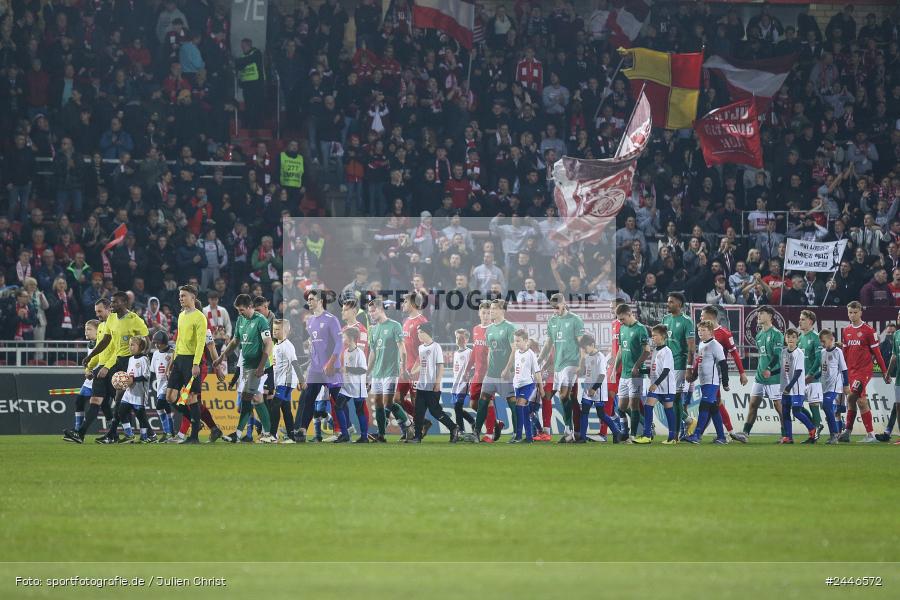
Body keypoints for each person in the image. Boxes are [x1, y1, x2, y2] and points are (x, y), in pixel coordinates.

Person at [215, 294, 276, 443]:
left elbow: (268, 343)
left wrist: (261, 366)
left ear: (250, 307)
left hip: (259, 366)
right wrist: (222, 356)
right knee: (248, 398)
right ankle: (242, 433)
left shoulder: (260, 320)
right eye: (238, 310)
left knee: (253, 397)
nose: (239, 313)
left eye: (242, 310)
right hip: (247, 366)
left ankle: (268, 434)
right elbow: (235, 341)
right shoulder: (241, 320)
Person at [95, 292, 150, 443]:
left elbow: (146, 340)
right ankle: (146, 434)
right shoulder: (111, 318)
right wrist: (91, 355)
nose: (111, 305)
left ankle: (112, 434)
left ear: (125, 302)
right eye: (111, 302)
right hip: (118, 361)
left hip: (130, 361)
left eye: (115, 302)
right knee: (124, 402)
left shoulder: (134, 320)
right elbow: (106, 340)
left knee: (121, 401)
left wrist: (142, 358)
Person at [292, 290, 344, 443]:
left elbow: (339, 343)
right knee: (308, 398)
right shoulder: (309, 321)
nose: (309, 301)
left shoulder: (331, 319)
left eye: (312, 299)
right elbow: (314, 344)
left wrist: (330, 363)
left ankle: (344, 430)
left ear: (321, 301)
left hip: (331, 367)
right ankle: (301, 430)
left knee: (337, 400)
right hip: (315, 369)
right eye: (308, 299)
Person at [64, 299, 115, 443]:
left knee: (122, 406)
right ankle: (80, 434)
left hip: (113, 368)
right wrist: (90, 364)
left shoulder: (115, 324)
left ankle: (143, 433)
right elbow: (99, 351)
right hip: (101, 369)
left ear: (108, 309)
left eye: (100, 311)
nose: (97, 314)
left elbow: (117, 350)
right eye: (96, 312)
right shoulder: (102, 327)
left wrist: (107, 366)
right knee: (95, 402)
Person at [838, 301, 889, 443]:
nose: (852, 315)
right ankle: (848, 432)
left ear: (860, 312)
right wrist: (843, 371)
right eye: (850, 312)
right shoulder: (846, 330)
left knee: (859, 399)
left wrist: (884, 372)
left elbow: (877, 353)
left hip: (863, 371)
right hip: (851, 371)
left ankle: (870, 435)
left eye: (855, 312)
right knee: (851, 400)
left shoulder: (868, 330)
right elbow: (845, 352)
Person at [365, 294, 413, 441]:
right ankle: (381, 435)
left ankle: (408, 424)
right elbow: (373, 352)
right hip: (377, 373)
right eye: (369, 311)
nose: (371, 314)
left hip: (391, 371)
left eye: (373, 311)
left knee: (388, 402)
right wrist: (367, 373)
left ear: (380, 309)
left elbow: (402, 349)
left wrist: (403, 368)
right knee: (379, 404)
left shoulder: (394, 325)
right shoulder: (373, 330)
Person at [538, 293, 585, 443]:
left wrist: (581, 363)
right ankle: (572, 432)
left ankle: (569, 431)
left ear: (564, 303)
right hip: (558, 364)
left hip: (571, 363)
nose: (555, 310)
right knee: (566, 397)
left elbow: (582, 344)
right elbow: (548, 343)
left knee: (564, 395)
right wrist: (539, 359)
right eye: (553, 308)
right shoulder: (552, 320)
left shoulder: (575, 320)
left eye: (557, 307)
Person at [700, 305, 748, 443]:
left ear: (710, 316)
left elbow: (735, 354)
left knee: (714, 402)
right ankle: (722, 434)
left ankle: (728, 434)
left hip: (716, 375)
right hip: (705, 375)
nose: (701, 318)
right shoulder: (703, 332)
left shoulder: (724, 334)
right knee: (713, 403)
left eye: (703, 315)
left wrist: (742, 373)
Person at [472, 300, 517, 443]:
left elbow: (514, 349)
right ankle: (476, 433)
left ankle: (517, 433)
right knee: (482, 401)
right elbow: (490, 350)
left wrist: (508, 368)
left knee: (512, 402)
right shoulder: (489, 329)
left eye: (494, 309)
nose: (491, 311)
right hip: (490, 374)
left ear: (502, 310)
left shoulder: (510, 327)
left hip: (504, 374)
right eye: (490, 309)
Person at [408, 323, 459, 443]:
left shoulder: (436, 347)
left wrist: (437, 382)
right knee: (418, 412)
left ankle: (453, 428)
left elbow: (440, 366)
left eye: (420, 332)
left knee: (435, 411)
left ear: (426, 332)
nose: (418, 334)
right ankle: (417, 437)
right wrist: (412, 372)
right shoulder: (421, 348)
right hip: (421, 385)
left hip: (432, 386)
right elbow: (421, 363)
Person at [742, 306, 785, 439]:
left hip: (773, 377)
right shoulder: (759, 334)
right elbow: (763, 356)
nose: (758, 316)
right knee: (753, 404)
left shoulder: (777, 334)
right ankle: (745, 433)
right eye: (758, 313)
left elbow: (777, 356)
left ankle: (786, 434)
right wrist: (762, 370)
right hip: (759, 377)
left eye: (761, 313)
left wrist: (769, 369)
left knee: (779, 406)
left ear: (770, 316)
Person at [684, 321, 730, 445]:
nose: (700, 333)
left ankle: (697, 435)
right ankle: (721, 437)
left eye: (704, 330)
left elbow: (723, 364)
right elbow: (699, 362)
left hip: (712, 382)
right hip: (704, 382)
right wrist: (693, 376)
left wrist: (725, 382)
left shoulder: (715, 345)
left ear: (711, 331)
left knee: (703, 406)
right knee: (714, 410)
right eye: (699, 330)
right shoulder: (701, 344)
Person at [576, 334, 627, 444]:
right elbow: (587, 373)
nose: (584, 350)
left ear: (592, 345)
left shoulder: (600, 357)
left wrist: (594, 388)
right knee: (584, 412)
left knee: (601, 414)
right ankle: (582, 437)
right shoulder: (588, 357)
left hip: (598, 390)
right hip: (587, 389)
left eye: (585, 347)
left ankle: (616, 432)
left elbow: (602, 375)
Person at [464, 301, 501, 442]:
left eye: (488, 313)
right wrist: (468, 368)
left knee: (488, 402)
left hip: (490, 373)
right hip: (477, 373)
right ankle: (495, 424)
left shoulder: (494, 329)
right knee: (473, 404)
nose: (485, 315)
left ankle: (489, 434)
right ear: (479, 313)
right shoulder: (476, 329)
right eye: (483, 312)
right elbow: (475, 350)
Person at [635, 325, 678, 444]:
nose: (652, 338)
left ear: (663, 336)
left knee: (668, 410)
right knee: (648, 406)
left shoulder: (667, 351)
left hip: (666, 387)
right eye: (652, 336)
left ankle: (672, 437)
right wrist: (641, 370)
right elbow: (654, 369)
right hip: (656, 387)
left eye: (655, 335)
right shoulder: (656, 351)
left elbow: (666, 370)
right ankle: (647, 435)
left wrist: (655, 384)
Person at [614, 303, 650, 441]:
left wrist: (636, 366)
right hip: (624, 374)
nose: (621, 322)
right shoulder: (622, 329)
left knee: (634, 405)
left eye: (622, 319)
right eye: (619, 320)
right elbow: (621, 350)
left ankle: (633, 435)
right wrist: (615, 368)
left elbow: (647, 350)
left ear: (630, 314)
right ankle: (625, 431)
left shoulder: (640, 329)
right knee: (621, 408)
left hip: (636, 375)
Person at [662, 293, 695, 440]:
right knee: (666, 398)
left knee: (674, 399)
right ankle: (688, 421)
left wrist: (689, 367)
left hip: (680, 365)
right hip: (667, 366)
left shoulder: (686, 321)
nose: (668, 304)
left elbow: (691, 347)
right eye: (668, 302)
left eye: (671, 302)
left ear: (679, 304)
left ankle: (674, 435)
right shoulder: (665, 319)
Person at [111, 336, 155, 443]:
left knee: (141, 417)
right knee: (121, 412)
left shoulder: (144, 359)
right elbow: (128, 376)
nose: (130, 347)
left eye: (132, 345)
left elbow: (147, 376)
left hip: (140, 393)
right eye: (129, 345)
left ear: (140, 347)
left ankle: (146, 437)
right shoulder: (130, 359)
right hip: (129, 392)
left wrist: (133, 379)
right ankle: (129, 435)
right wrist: (122, 381)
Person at [396, 292, 429, 434]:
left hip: (416, 370)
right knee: (396, 399)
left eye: (405, 302)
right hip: (404, 368)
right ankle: (423, 423)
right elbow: (404, 347)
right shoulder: (406, 321)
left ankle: (418, 430)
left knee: (417, 402)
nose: (403, 304)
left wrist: (414, 369)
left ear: (414, 304)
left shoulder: (421, 322)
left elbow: (424, 349)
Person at [780, 329, 818, 444]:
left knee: (796, 411)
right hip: (785, 387)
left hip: (796, 388)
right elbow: (783, 369)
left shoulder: (799, 353)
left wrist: (789, 386)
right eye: (788, 337)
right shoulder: (783, 352)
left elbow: (798, 372)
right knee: (785, 412)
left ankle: (812, 429)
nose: (790, 339)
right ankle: (788, 437)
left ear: (797, 339)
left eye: (793, 337)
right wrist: (770, 372)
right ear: (785, 339)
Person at [271, 319, 299, 443]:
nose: (275, 331)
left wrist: (302, 380)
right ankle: (291, 436)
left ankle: (272, 435)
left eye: (277, 329)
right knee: (285, 409)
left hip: (286, 381)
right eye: (274, 329)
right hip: (281, 381)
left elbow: (294, 362)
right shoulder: (276, 345)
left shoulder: (287, 345)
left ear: (286, 331)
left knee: (275, 405)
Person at [511, 329, 541, 443]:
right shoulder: (517, 353)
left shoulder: (530, 354)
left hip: (528, 384)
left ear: (526, 341)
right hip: (517, 385)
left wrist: (541, 388)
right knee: (525, 411)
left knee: (519, 405)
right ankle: (529, 437)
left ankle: (518, 436)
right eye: (515, 341)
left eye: (518, 341)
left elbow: (536, 371)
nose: (516, 343)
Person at [339, 327, 368, 443]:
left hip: (358, 387)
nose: (342, 339)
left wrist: (348, 369)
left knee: (359, 411)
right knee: (338, 406)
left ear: (350, 338)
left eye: (344, 336)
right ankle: (345, 435)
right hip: (347, 386)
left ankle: (364, 437)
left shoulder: (359, 353)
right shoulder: (346, 352)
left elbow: (363, 370)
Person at [70, 319, 99, 437]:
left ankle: (113, 432)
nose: (86, 332)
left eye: (89, 329)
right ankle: (77, 429)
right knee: (79, 401)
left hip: (100, 377)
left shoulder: (102, 343)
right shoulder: (90, 343)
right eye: (85, 329)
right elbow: (89, 361)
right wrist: (87, 370)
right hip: (90, 378)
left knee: (106, 408)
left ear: (98, 331)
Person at [798, 310, 825, 438]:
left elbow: (819, 359)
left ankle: (814, 432)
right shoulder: (800, 337)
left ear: (810, 321)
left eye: (803, 319)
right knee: (796, 406)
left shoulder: (815, 337)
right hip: (800, 379)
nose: (800, 321)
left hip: (812, 379)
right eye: (800, 319)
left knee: (813, 404)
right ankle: (815, 425)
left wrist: (811, 374)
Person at [819, 329, 848, 444]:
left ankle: (835, 434)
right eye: (821, 341)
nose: (822, 344)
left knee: (828, 407)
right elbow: (823, 369)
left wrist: (846, 385)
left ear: (831, 340)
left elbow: (844, 369)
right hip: (825, 386)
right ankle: (836, 432)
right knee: (829, 409)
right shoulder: (822, 352)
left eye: (824, 341)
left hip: (835, 386)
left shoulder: (837, 352)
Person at [149, 330, 175, 441]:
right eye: (155, 343)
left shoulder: (172, 353)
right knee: (166, 408)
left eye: (158, 342)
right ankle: (171, 431)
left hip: (169, 384)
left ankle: (166, 432)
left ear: (165, 342)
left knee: (159, 406)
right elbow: (153, 371)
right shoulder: (155, 354)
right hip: (160, 384)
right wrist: (149, 384)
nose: (156, 345)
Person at [235, 38, 265, 129]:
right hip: (246, 85)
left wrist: (238, 62)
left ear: (249, 45)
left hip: (257, 84)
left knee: (256, 105)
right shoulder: (243, 56)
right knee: (248, 105)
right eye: (241, 46)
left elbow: (245, 61)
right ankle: (249, 124)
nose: (242, 48)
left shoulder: (256, 53)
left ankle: (256, 125)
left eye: (243, 46)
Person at [451, 329, 475, 434]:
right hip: (456, 384)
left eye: (462, 338)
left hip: (464, 384)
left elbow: (474, 368)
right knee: (457, 408)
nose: (459, 340)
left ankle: (460, 430)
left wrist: (469, 381)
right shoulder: (455, 353)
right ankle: (472, 421)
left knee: (457, 406)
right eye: (457, 338)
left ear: (467, 339)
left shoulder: (469, 352)